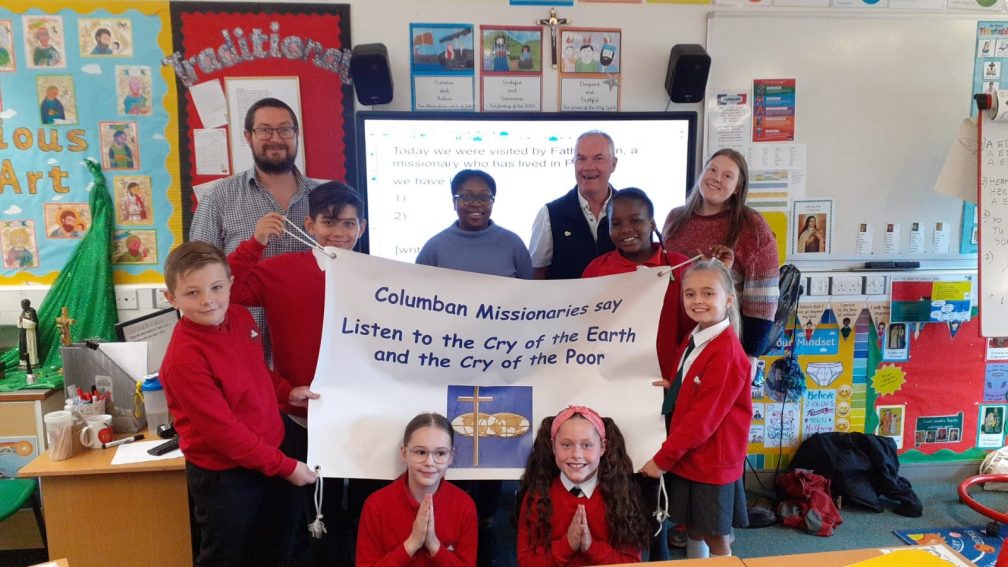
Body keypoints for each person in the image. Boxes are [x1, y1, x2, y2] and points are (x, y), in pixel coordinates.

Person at [228, 181, 366, 565]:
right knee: (311, 511)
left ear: (362, 228)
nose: (339, 233)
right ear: (309, 224)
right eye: (329, 222)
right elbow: (229, 292)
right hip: (302, 415)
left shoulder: (378, 277)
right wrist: (254, 243)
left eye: (349, 224)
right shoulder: (279, 271)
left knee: (362, 505)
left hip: (362, 415)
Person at [160, 241, 318, 566]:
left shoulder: (240, 316)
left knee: (276, 546)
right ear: (171, 298)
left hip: (269, 454)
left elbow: (255, 372)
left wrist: (286, 392)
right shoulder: (183, 360)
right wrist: (286, 467)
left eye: (216, 287)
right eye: (192, 293)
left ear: (231, 283)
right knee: (227, 556)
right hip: (226, 476)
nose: (208, 300)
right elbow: (225, 433)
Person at [190, 97, 321, 361]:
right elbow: (196, 275)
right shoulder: (220, 197)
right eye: (264, 130)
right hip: (244, 349)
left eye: (285, 129)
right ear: (248, 136)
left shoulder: (323, 197)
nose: (275, 138)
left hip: (312, 348)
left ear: (296, 135)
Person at [640, 259, 752, 559]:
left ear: (727, 300)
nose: (697, 301)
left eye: (707, 293)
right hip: (692, 456)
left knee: (716, 535)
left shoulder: (726, 351)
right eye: (690, 294)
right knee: (693, 525)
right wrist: (673, 385)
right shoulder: (697, 336)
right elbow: (693, 381)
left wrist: (662, 460)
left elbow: (704, 419)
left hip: (711, 461)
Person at [662, 148, 780, 363]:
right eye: (712, 170)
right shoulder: (675, 218)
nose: (716, 178)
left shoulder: (752, 226)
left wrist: (750, 355)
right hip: (677, 340)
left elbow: (763, 299)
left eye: (727, 175)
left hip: (726, 347)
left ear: (737, 187)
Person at [516, 405, 649, 566]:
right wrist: (567, 545)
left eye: (587, 445)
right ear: (553, 447)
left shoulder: (620, 495)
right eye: (566, 445)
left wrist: (591, 547)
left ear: (602, 447)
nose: (576, 455)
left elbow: (631, 562)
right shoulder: (537, 497)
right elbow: (526, 562)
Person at [356, 413, 477, 566]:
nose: (429, 462)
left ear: (451, 456)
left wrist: (434, 545)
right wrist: (411, 544)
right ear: (404, 453)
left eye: (440, 453)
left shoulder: (464, 505)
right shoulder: (376, 505)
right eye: (420, 452)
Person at [529, 131, 618, 280]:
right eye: (581, 159)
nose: (588, 167)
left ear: (613, 164)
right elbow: (537, 275)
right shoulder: (550, 214)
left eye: (598, 158)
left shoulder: (631, 212)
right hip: (566, 303)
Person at [417, 169, 532, 279]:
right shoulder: (434, 248)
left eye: (484, 197)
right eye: (466, 197)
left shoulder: (513, 244)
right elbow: (416, 291)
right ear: (454, 202)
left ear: (493, 202)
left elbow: (529, 291)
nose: (476, 203)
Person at [17, 299, 39, 369]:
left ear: (27, 304)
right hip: (23, 331)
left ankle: (32, 362)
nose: (22, 306)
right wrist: (21, 319)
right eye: (21, 304)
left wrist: (24, 319)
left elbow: (33, 322)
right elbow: (20, 319)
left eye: (23, 305)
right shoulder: (23, 311)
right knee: (23, 346)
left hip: (30, 332)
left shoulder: (32, 311)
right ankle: (24, 363)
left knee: (30, 346)